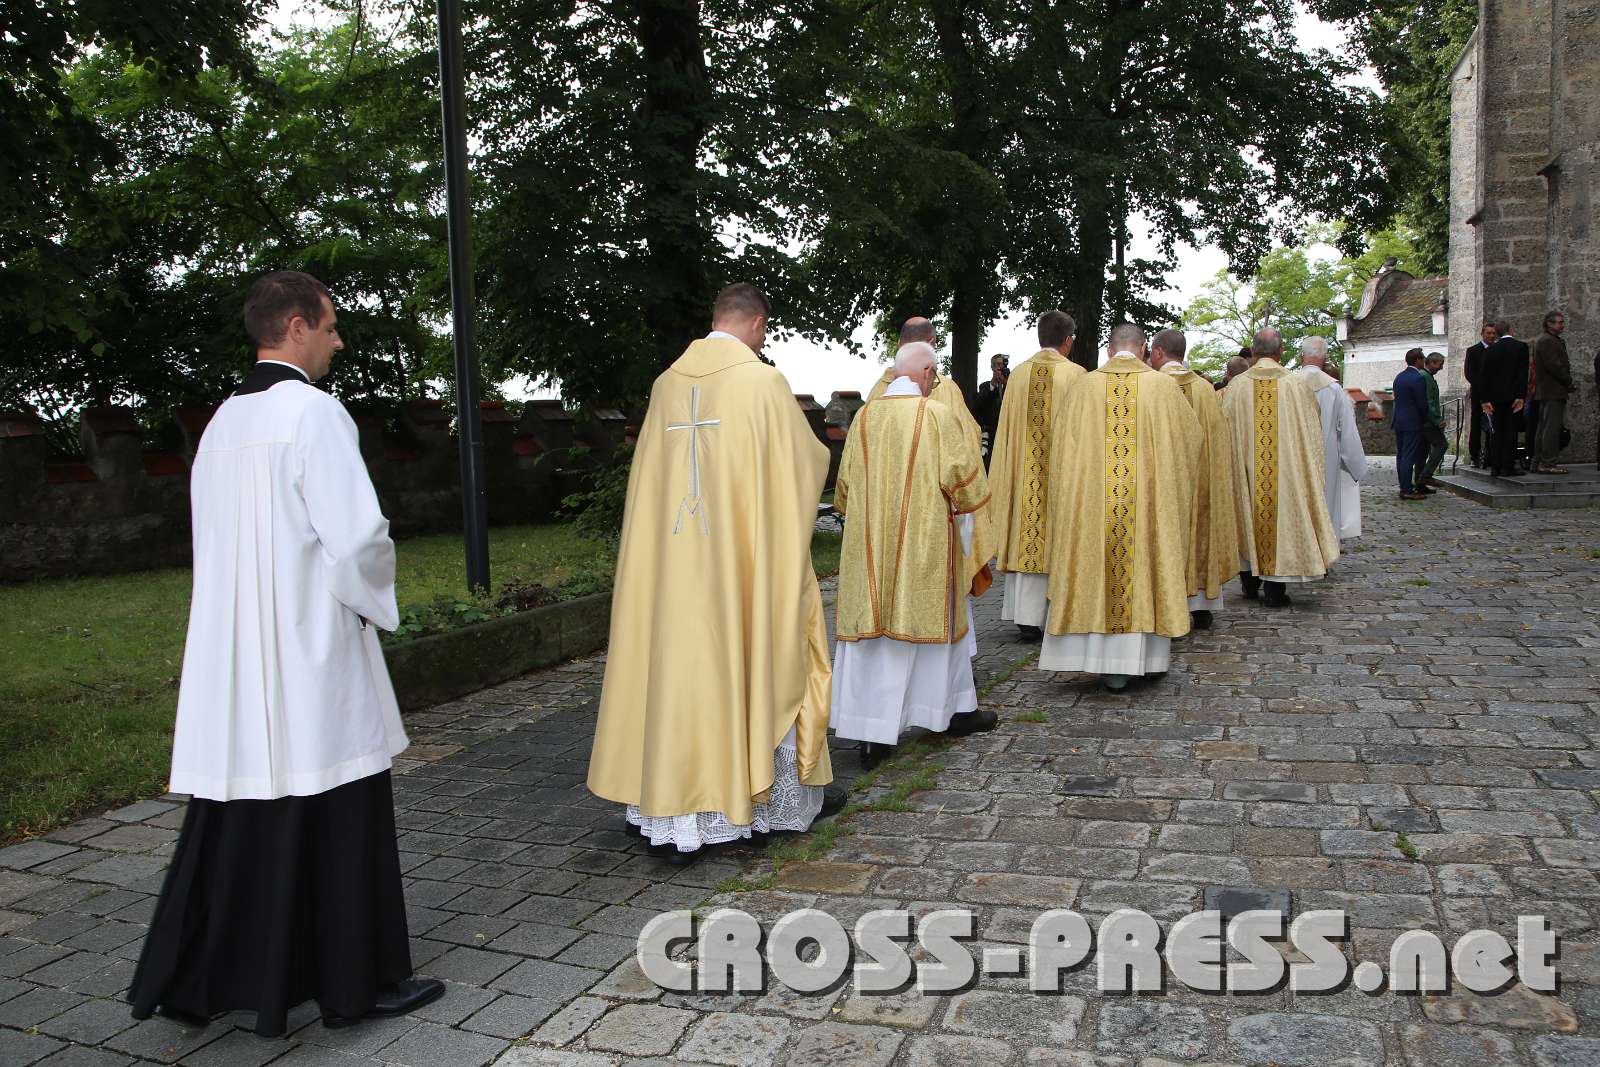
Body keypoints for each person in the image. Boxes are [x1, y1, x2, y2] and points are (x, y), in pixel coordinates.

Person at [128, 271, 442, 1037]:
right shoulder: (314, 413)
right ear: (297, 326)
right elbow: (358, 539)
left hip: (238, 648)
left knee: (250, 805)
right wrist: (372, 599)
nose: (338, 341)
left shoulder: (222, 423)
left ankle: (232, 974)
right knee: (335, 797)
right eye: (330, 327)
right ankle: (355, 984)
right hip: (308, 643)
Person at [587, 283, 842, 865]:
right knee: (750, 662)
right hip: (739, 571)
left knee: (674, 674)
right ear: (757, 325)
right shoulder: (763, 383)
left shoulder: (665, 385)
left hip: (671, 572)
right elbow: (805, 464)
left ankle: (670, 816)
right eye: (765, 334)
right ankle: (755, 805)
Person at [831, 342, 997, 768]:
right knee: (934, 623)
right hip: (924, 549)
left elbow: (844, 490)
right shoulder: (935, 416)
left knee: (874, 639)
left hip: (869, 556)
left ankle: (872, 734)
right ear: (924, 372)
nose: (932, 382)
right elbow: (966, 486)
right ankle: (951, 712)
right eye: (933, 375)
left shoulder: (864, 418)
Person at [1040, 323, 1200, 691]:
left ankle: (1099, 662)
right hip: (1146, 507)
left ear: (1110, 351)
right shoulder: (1163, 388)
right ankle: (1145, 660)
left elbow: (1061, 455)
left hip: (1094, 509)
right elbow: (1190, 445)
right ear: (1143, 350)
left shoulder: (1084, 388)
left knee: (1096, 569)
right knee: (1143, 567)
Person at [1221, 328, 1340, 606]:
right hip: (1285, 474)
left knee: (1247, 515)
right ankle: (1275, 590)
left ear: (1253, 351)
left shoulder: (1236, 387)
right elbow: (1311, 431)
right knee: (1281, 518)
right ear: (1281, 351)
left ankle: (1249, 583)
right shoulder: (1296, 385)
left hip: (1247, 470)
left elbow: (1223, 429)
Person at [988, 310, 1088, 639]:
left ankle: (1026, 616)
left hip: (1024, 479)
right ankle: (1056, 613)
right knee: (1057, 534)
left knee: (1026, 531)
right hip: (1061, 477)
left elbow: (1006, 435)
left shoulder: (1018, 375)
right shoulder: (1076, 375)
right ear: (1068, 340)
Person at [1149, 328, 1238, 629]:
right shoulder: (1203, 388)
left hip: (1163, 482)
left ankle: (1165, 606)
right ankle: (1201, 607)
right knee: (1199, 534)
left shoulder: (1152, 385)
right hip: (1200, 482)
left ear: (1159, 352)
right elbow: (1218, 440)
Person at [1294, 337, 1367, 538]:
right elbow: (1347, 430)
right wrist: (1355, 464)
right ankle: (1326, 547)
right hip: (1328, 457)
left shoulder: (1289, 385)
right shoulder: (1334, 389)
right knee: (1327, 503)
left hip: (1295, 455)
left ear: (1301, 356)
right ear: (1325, 357)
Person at [1480, 319, 1530, 477]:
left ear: (1497, 333)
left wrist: (1485, 399)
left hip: (1495, 397)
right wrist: (1520, 395)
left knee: (1497, 431)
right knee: (1511, 431)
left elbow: (1484, 376)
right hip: (1513, 396)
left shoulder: (1490, 350)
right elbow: (1522, 374)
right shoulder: (1520, 347)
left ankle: (1496, 466)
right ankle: (1508, 465)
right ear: (1510, 330)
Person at [1531, 309, 1573, 474]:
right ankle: (1547, 463)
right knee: (1551, 428)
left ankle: (1539, 462)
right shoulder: (1547, 341)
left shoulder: (1550, 340)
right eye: (1559, 322)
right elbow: (1555, 366)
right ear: (1549, 323)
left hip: (1549, 390)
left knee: (1544, 427)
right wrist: (1568, 381)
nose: (1562, 325)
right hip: (1552, 390)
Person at [1390, 349, 1431, 499]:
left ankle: (1404, 485)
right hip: (1412, 421)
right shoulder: (1418, 378)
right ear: (1418, 360)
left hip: (1399, 420)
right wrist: (1424, 419)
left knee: (1401, 455)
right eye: (1423, 358)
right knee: (1408, 455)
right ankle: (1407, 489)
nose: (1424, 361)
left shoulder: (1399, 377)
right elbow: (1422, 403)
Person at [1463, 322, 1498, 467]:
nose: (1491, 336)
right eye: (1488, 333)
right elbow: (1469, 373)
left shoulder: (1497, 350)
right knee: (1477, 424)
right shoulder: (1473, 351)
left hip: (1495, 394)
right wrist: (1481, 387)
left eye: (1493, 333)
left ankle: (1491, 454)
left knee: (1493, 425)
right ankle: (1475, 455)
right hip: (1479, 393)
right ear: (1482, 334)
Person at [1418, 352, 1449, 488]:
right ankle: (1426, 476)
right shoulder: (1425, 377)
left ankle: (1420, 485)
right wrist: (1437, 419)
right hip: (1428, 421)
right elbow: (1429, 401)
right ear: (1431, 362)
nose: (1441, 368)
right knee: (1442, 444)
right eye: (1439, 364)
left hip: (1423, 420)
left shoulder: (1425, 376)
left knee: (1422, 453)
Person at [975, 353, 1009, 463]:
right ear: (992, 367)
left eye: (1002, 364)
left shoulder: (1011, 385)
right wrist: (993, 383)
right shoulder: (985, 386)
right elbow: (980, 404)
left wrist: (1007, 383)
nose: (1000, 367)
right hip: (991, 435)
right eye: (997, 365)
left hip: (1007, 432)